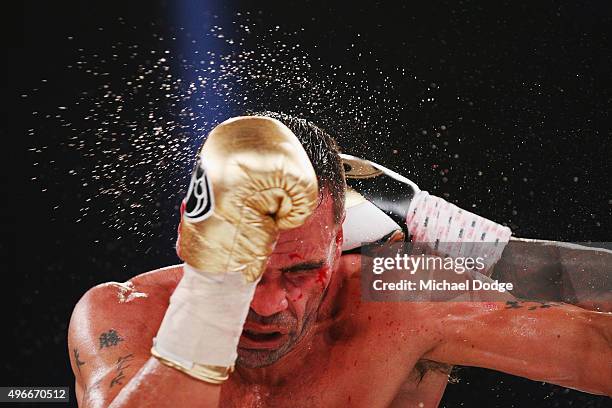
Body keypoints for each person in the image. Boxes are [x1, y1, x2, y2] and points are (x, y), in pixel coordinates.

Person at [68, 114, 611, 407]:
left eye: (300, 271)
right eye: (242, 270)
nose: (266, 304)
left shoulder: (402, 295)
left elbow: (596, 350)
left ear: (337, 239)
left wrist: (493, 256)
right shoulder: (125, 312)